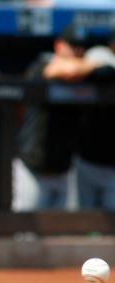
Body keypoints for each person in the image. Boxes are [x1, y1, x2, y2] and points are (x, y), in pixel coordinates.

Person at [13, 25, 105, 211]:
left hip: (63, 169)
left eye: (81, 47)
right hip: (33, 168)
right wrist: (93, 65)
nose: (77, 51)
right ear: (59, 46)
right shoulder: (42, 64)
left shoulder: (87, 75)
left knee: (64, 235)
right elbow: (65, 70)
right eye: (73, 46)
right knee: (26, 234)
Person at [73, 31, 115, 210]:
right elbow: (101, 72)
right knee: (82, 223)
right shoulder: (100, 55)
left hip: (111, 166)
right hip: (88, 159)